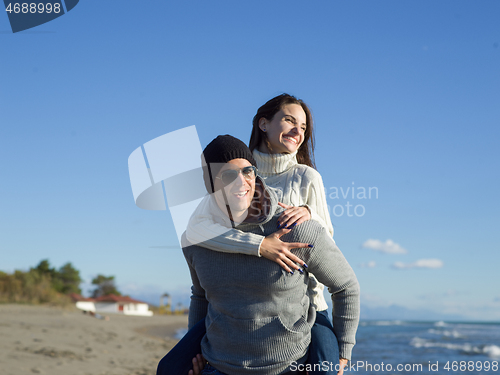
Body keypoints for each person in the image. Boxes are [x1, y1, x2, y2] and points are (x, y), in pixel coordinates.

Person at [163, 135, 359, 375]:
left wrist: (343, 352)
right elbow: (201, 296)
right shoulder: (196, 240)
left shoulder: (295, 229)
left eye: (247, 171)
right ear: (211, 184)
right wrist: (196, 355)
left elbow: (346, 286)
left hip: (289, 366)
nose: (241, 182)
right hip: (220, 365)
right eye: (227, 175)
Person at [184, 94, 339, 373]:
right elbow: (197, 229)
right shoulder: (236, 168)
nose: (297, 131)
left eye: (303, 127)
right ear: (264, 124)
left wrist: (309, 214)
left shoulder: (306, 177)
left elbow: (326, 241)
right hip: (234, 305)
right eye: (290, 121)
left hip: (304, 303)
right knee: (173, 366)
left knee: (330, 369)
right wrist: (260, 245)